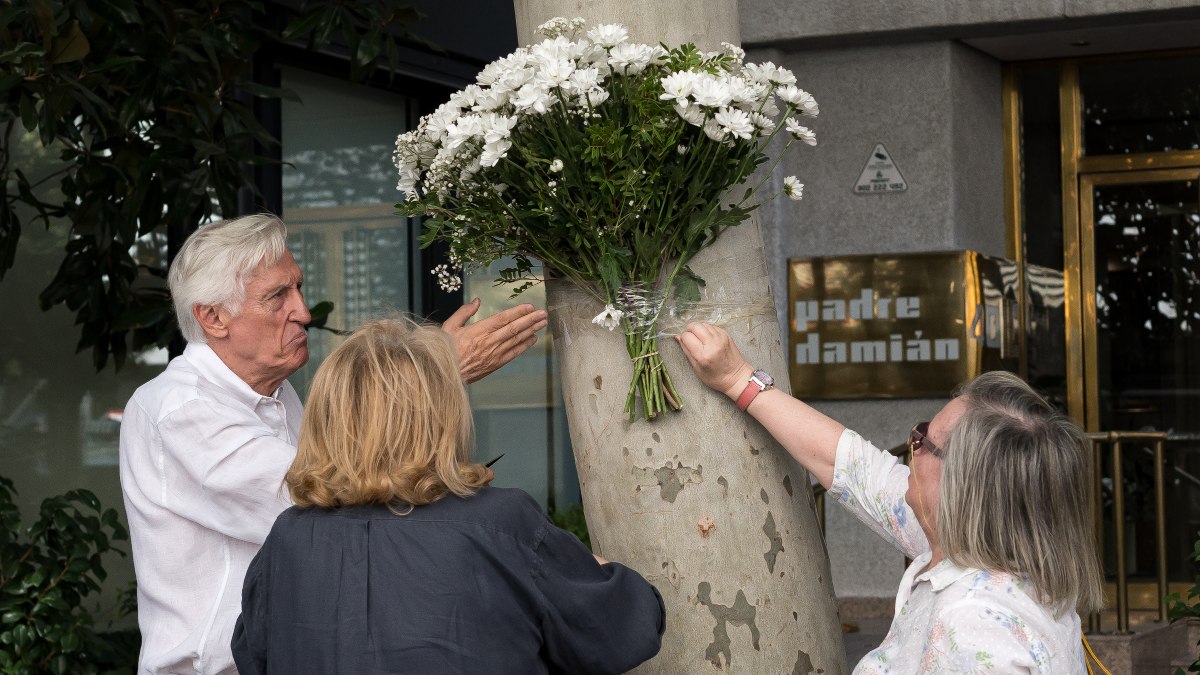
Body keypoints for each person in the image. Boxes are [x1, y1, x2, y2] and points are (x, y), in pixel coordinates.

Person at [119, 214, 548, 674]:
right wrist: (430, 375)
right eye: (277, 296)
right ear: (213, 317)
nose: (303, 311)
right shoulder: (181, 410)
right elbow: (328, 503)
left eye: (297, 288)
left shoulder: (281, 394)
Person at [229, 318, 665, 674]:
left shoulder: (287, 538)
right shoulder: (501, 524)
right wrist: (595, 569)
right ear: (441, 414)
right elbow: (623, 632)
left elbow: (253, 655)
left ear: (327, 418)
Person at [675, 323, 1103, 674]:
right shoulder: (981, 550)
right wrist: (737, 379)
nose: (909, 445)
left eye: (922, 439)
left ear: (962, 484)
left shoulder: (975, 625)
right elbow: (852, 466)